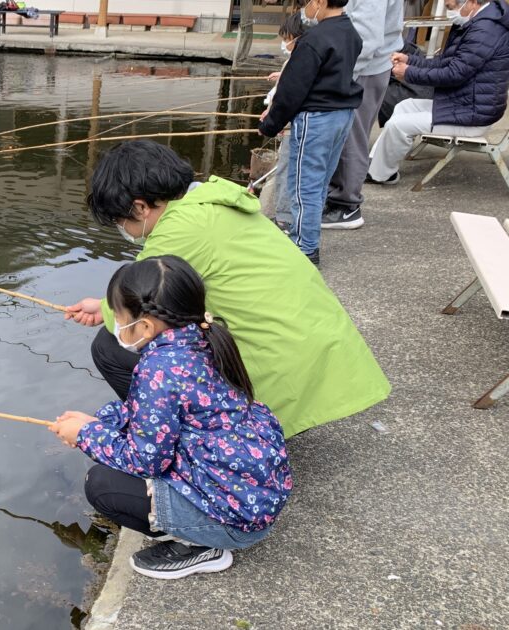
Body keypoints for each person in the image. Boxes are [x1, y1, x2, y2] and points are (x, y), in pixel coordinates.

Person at [65, 140, 390, 438]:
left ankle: (162, 437)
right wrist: (102, 305)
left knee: (112, 347)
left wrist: (109, 312)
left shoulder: (178, 230)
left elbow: (134, 312)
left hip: (284, 368)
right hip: (319, 350)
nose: (126, 231)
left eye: (122, 223)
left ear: (140, 208)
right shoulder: (211, 203)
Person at [51, 255, 291, 580]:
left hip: (236, 520)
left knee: (103, 486)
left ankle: (202, 545)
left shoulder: (159, 370)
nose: (117, 326)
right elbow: (152, 414)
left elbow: (145, 461)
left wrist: (85, 436)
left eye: (120, 318)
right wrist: (98, 422)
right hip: (254, 494)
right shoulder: (202, 337)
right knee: (114, 451)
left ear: (146, 326)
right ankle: (199, 527)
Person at [258, 0, 362, 265]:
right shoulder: (350, 31)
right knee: (319, 182)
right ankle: (305, 240)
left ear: (321, 2)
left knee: (305, 186)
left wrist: (270, 124)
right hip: (343, 115)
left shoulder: (314, 39)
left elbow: (293, 90)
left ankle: (305, 248)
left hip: (317, 119)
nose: (306, 7)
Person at [367, 0, 509, 185]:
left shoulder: (485, 30)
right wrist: (410, 60)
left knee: (399, 125)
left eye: (451, 7)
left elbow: (453, 73)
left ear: (471, 2)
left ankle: (382, 175)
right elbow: (446, 62)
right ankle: (375, 164)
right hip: (466, 103)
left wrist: (408, 72)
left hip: (474, 112)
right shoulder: (478, 22)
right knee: (405, 105)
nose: (450, 12)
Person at [319, 0, 404, 230]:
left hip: (363, 67)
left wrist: (345, 73)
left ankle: (346, 205)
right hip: (365, 64)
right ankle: (336, 196)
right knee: (348, 134)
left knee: (351, 136)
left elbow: (367, 36)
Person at [261, 12, 308, 232]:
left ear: (297, 38)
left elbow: (288, 96)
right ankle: (283, 216)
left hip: (291, 128)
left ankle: (284, 220)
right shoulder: (297, 59)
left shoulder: (301, 60)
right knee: (286, 168)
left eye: (286, 37)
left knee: (287, 170)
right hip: (289, 125)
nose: (284, 43)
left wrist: (273, 120)